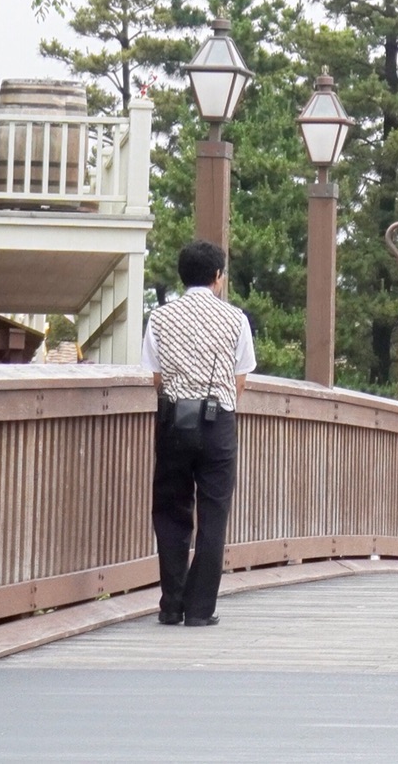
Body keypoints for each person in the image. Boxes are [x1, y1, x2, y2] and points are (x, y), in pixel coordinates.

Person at [140, 240, 255, 627]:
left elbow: (155, 377)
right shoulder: (235, 319)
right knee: (214, 513)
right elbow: (240, 380)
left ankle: (171, 603)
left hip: (174, 419)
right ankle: (200, 608)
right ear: (218, 277)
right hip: (217, 421)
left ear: (182, 275)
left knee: (171, 511)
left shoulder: (159, 319)